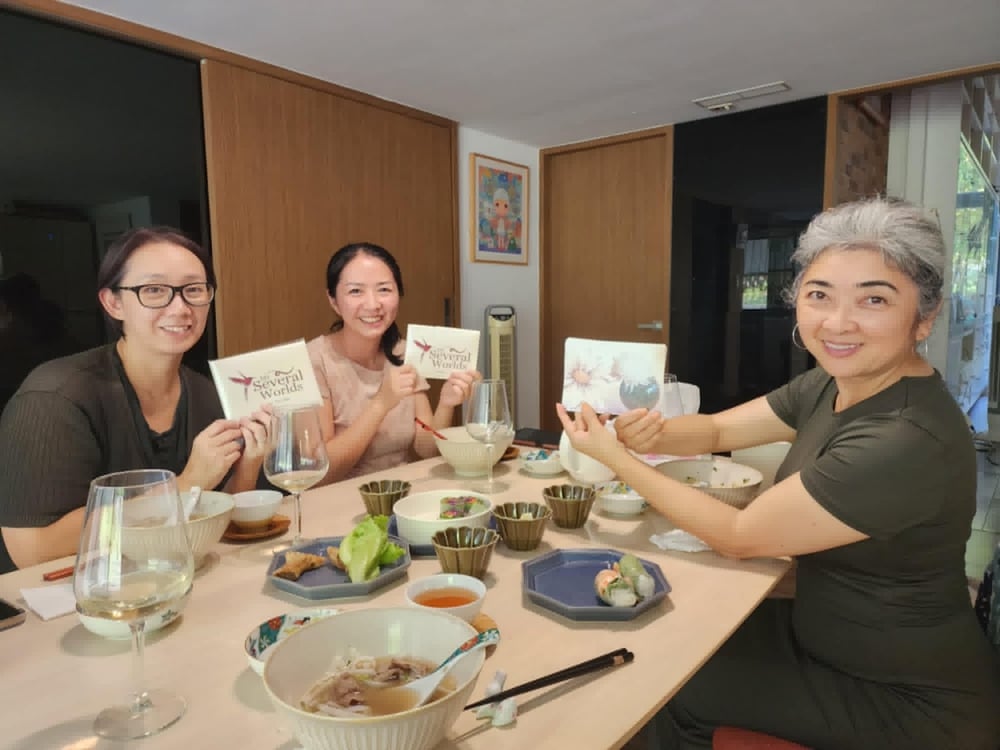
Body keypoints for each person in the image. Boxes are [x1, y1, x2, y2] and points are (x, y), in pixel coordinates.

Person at [557, 198, 1000, 749]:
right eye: (819, 295)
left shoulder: (906, 437)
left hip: (906, 697)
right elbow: (719, 432)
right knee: (668, 631)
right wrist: (636, 430)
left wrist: (616, 460)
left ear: (924, 318)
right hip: (828, 638)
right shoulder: (834, 382)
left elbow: (742, 537)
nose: (838, 323)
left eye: (874, 299)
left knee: (672, 684)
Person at [0, 227, 271, 573]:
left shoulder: (205, 393)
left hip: (175, 581)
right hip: (68, 603)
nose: (180, 307)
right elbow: (33, 550)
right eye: (154, 290)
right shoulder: (54, 398)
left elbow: (212, 525)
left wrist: (249, 463)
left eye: (193, 290)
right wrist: (186, 485)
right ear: (113, 302)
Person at [307, 242, 479, 483]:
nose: (373, 304)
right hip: (338, 503)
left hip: (399, 497)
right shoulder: (314, 360)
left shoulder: (404, 352)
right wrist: (381, 404)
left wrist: (446, 403)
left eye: (384, 290)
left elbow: (426, 448)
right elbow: (320, 472)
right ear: (334, 300)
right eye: (356, 291)